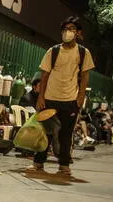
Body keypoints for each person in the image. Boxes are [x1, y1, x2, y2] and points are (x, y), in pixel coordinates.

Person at [32, 16, 95, 176]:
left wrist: (80, 98)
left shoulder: (83, 53)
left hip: (70, 100)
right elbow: (44, 75)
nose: (68, 32)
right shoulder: (52, 51)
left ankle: (64, 165)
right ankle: (38, 163)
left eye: (72, 29)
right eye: (65, 29)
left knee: (66, 135)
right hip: (50, 98)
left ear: (78, 33)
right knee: (45, 132)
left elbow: (85, 77)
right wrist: (41, 97)